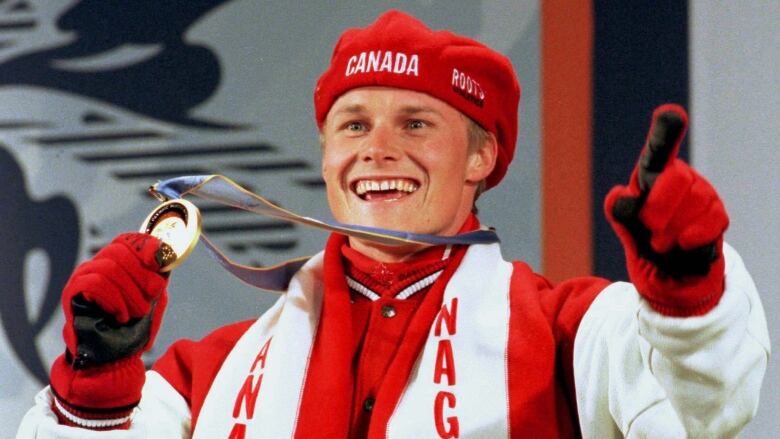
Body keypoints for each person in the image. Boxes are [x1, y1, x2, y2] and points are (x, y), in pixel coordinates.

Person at [17, 10, 769, 439]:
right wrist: (96, 385)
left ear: (482, 155)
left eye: (415, 123)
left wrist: (688, 295)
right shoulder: (208, 373)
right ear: (324, 154)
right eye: (352, 125)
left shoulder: (570, 332)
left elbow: (707, 410)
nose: (376, 149)